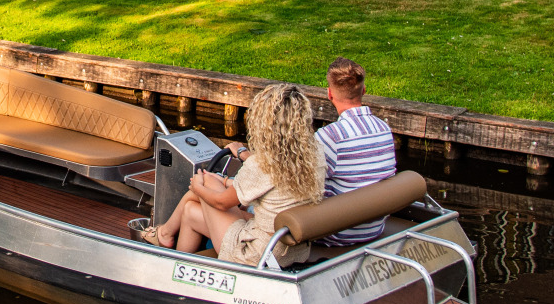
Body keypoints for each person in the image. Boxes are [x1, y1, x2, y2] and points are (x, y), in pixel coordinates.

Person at [142, 84, 323, 268]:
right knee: (190, 211)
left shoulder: (261, 165)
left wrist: (198, 187)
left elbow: (222, 202)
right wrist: (240, 160)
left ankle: (165, 235)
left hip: (256, 253)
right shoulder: (314, 155)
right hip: (287, 246)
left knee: (205, 182)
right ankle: (176, 264)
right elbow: (273, 176)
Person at [313, 57, 397, 247]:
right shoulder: (383, 128)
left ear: (329, 94)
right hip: (375, 228)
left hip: (338, 234)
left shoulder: (330, 136)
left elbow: (304, 184)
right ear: (364, 90)